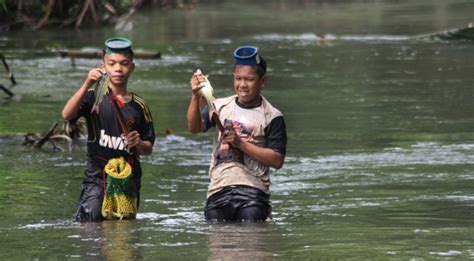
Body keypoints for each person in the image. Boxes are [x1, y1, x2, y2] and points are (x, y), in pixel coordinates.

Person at [187, 46, 287, 222]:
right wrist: (195, 97)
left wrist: (241, 144)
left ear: (262, 81)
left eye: (249, 79)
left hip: (253, 194)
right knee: (217, 241)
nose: (242, 85)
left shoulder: (272, 115)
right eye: (238, 79)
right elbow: (194, 128)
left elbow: (276, 160)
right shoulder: (218, 106)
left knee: (251, 239)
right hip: (218, 190)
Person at [62, 38, 155, 222]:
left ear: (132, 67)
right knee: (92, 219)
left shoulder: (140, 106)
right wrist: (87, 83)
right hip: (97, 173)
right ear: (103, 66)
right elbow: (67, 114)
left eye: (124, 64)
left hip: (128, 176)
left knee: (123, 228)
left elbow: (149, 148)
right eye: (112, 64)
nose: (118, 69)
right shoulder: (92, 97)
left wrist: (139, 143)